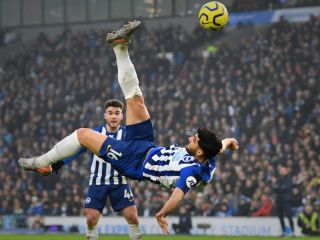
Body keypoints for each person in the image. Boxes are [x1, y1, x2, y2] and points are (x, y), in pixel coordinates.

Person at [18, 19, 239, 234]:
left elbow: (179, 193)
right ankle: (120, 46)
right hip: (146, 144)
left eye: (194, 139)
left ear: (199, 151)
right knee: (135, 98)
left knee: (83, 134)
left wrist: (162, 213)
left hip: (133, 160)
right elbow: (219, 147)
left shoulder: (193, 171)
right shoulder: (208, 153)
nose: (190, 138)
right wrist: (229, 142)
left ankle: (41, 163)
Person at [37, 99, 141, 240]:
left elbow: (139, 153)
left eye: (117, 113)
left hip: (119, 181)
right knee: (91, 218)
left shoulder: (128, 136)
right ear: (105, 115)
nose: (114, 116)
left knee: (132, 217)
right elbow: (74, 151)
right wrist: (54, 166)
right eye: (110, 113)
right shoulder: (95, 134)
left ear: (122, 116)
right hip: (97, 181)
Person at [272, 165, 295, 237]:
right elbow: (274, 189)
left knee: (289, 216)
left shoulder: (289, 179)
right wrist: (281, 188)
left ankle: (293, 232)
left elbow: (287, 188)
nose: (281, 171)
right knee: (280, 217)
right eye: (280, 170)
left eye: (283, 170)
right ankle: (284, 232)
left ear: (286, 171)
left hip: (286, 200)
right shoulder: (278, 179)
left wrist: (279, 188)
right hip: (279, 200)